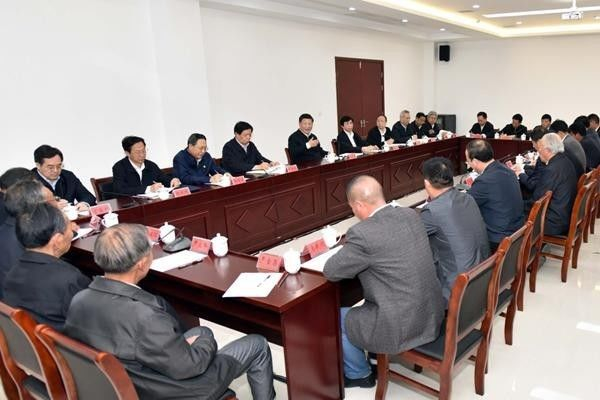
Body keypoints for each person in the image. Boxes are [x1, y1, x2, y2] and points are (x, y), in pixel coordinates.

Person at [65, 224, 275, 400]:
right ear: (142, 264)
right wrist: (205, 344)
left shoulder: (79, 300)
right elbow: (190, 366)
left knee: (203, 332)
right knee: (256, 343)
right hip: (175, 391)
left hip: (134, 380)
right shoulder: (145, 316)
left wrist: (197, 342)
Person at [323, 176, 444, 388]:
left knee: (334, 317)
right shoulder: (410, 214)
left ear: (359, 205)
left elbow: (331, 271)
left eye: (352, 207)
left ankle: (360, 374)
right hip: (430, 313)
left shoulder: (363, 233)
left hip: (400, 325)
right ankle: (372, 354)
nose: (354, 212)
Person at [3, 202, 90, 330]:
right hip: (61, 342)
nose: (72, 232)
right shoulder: (69, 279)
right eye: (69, 226)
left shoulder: (12, 273)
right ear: (57, 240)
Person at [420, 157, 489, 303]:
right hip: (482, 275)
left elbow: (411, 238)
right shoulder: (468, 198)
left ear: (426, 183)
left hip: (457, 289)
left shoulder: (431, 211)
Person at [0, 179, 56, 298]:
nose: (56, 206)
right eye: (51, 202)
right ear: (35, 207)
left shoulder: (7, 228)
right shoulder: (26, 238)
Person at [466, 140, 524, 251]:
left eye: (468, 161)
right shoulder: (508, 171)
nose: (468, 164)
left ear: (475, 161)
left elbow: (466, 204)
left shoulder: (484, 181)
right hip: (517, 231)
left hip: (498, 239)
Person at [524, 133, 578, 235]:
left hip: (553, 222)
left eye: (540, 148)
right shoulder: (564, 160)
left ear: (548, 150)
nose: (538, 151)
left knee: (514, 217)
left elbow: (537, 201)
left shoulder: (552, 169)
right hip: (564, 213)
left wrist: (518, 206)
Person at [32, 145, 96, 209]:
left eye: (59, 166)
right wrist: (52, 207)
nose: (55, 170)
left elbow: (88, 196)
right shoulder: (29, 181)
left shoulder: (68, 176)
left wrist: (84, 204)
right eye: (50, 167)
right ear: (38, 165)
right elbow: (28, 208)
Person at [112, 136, 180, 195]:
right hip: (131, 203)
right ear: (127, 153)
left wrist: (172, 180)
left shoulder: (151, 165)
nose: (142, 155)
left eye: (143, 150)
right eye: (137, 152)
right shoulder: (119, 167)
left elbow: (163, 178)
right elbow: (119, 190)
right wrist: (148, 189)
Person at [513, 127, 547, 193]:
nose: (533, 146)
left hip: (537, 194)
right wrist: (523, 167)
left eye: (533, 143)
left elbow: (532, 185)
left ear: (539, 141)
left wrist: (520, 173)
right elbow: (537, 172)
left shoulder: (543, 157)